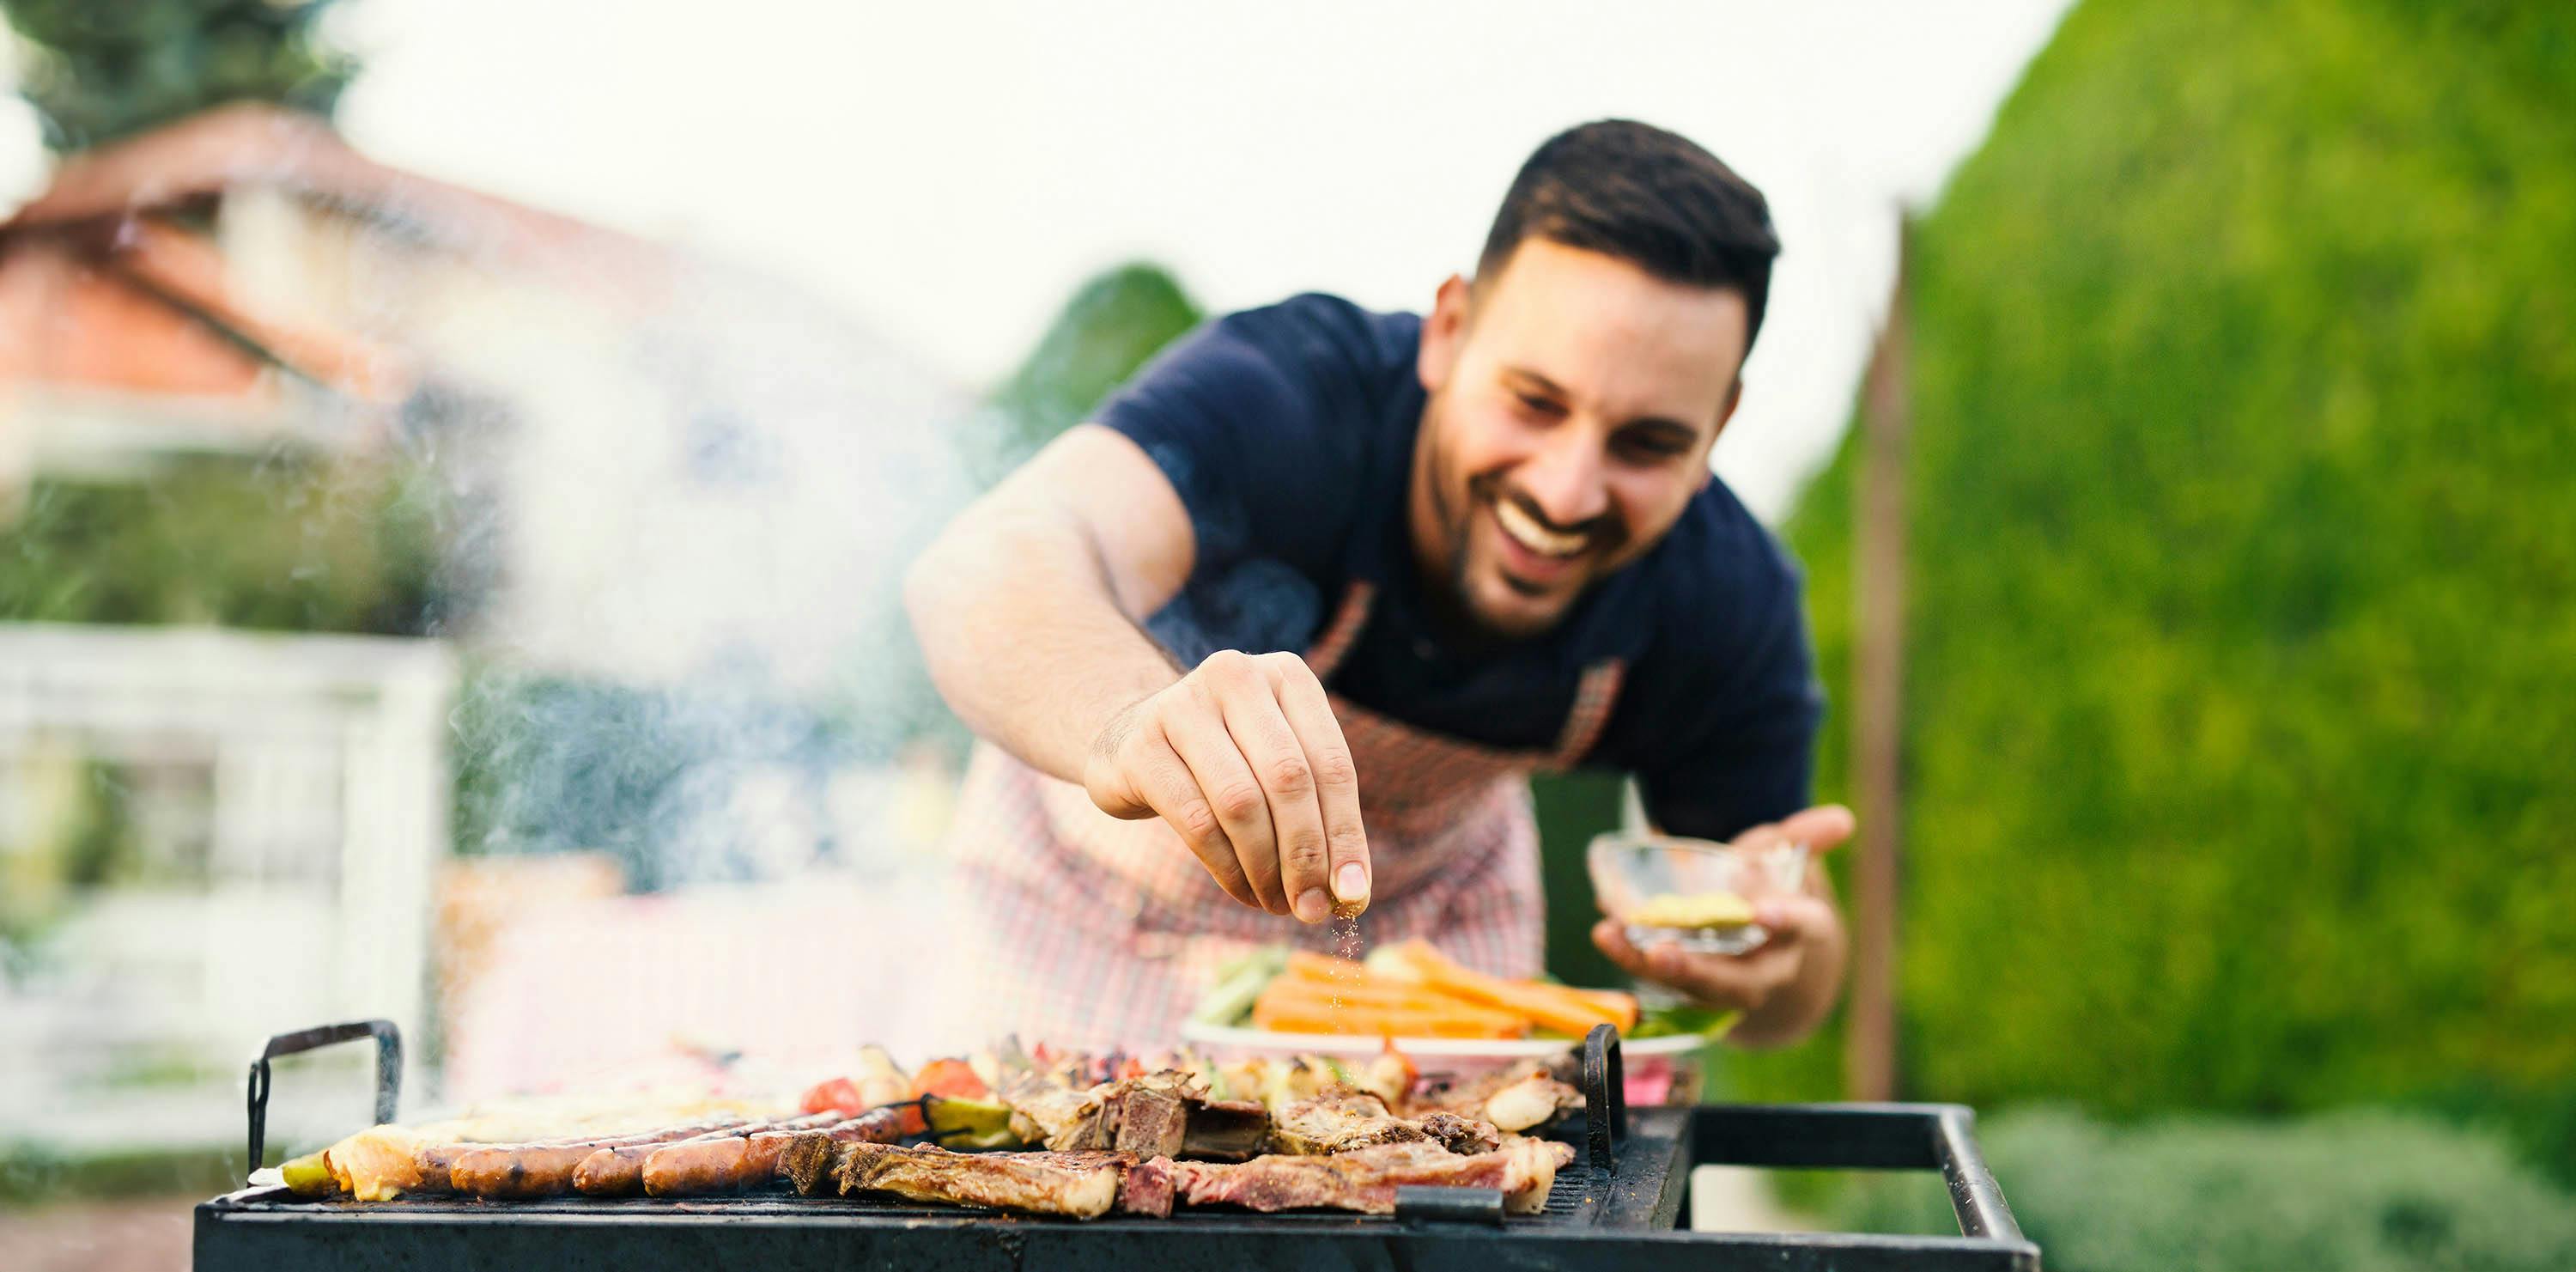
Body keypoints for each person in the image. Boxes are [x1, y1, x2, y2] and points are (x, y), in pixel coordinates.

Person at [907, 119, 1852, 1051]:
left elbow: (1791, 991)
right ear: (1447, 331)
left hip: (1426, 954)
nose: (1566, 492)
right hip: (1086, 919)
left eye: (1648, 443)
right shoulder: (1294, 396)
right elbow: (986, 566)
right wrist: (1127, 726)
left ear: (1718, 425)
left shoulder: (1726, 596)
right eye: (1534, 401)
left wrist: (1773, 964)